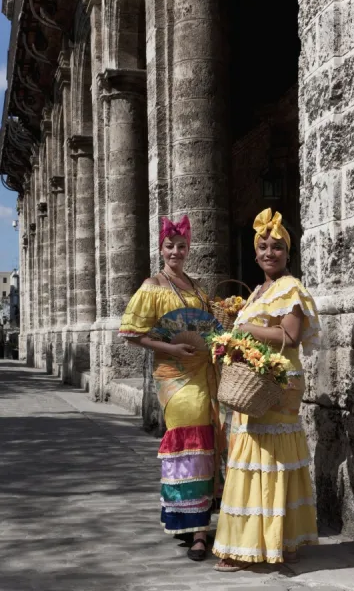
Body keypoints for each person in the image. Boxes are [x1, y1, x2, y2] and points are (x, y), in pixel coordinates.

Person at [213, 208, 320, 571]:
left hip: (277, 382)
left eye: (276, 247)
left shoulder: (291, 289)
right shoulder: (259, 290)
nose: (268, 253)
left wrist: (247, 332)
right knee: (256, 459)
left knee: (269, 461)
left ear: (288, 253)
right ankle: (269, 542)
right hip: (254, 381)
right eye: (262, 246)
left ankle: (264, 544)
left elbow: (289, 337)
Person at [119, 215, 224, 562]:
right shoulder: (153, 285)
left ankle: (197, 526)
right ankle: (193, 526)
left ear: (188, 248)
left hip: (206, 372)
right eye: (170, 246)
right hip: (175, 376)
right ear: (161, 248)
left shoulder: (196, 287)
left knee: (208, 443)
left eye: (182, 246)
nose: (176, 251)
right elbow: (133, 336)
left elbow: (209, 328)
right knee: (190, 444)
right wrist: (172, 349)